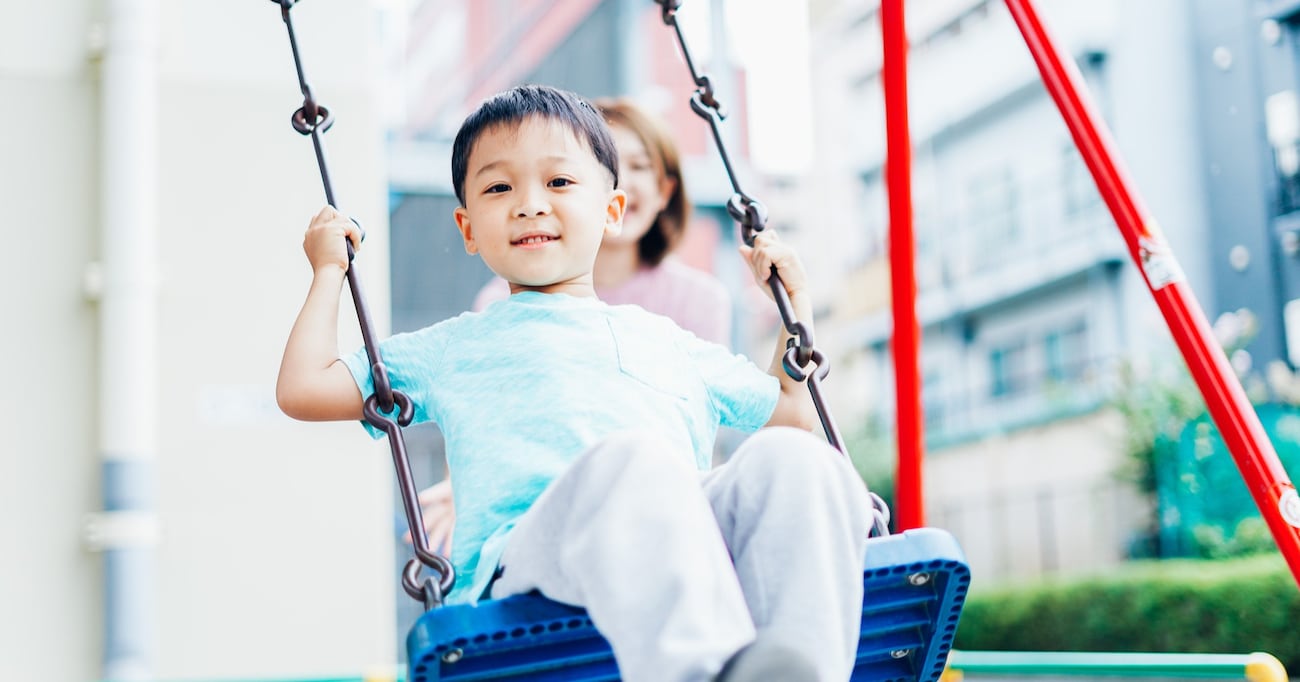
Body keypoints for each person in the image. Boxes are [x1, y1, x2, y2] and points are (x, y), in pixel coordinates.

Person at [277, 85, 870, 682]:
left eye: (559, 183)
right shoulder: (454, 346)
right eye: (498, 187)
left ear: (611, 211)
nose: (530, 204)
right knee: (633, 461)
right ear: (468, 228)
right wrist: (329, 270)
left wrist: (797, 306)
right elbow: (306, 387)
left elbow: (793, 413)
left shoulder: (669, 341)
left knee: (797, 462)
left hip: (673, 553)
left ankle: (800, 670)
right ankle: (704, 673)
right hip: (528, 563)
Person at [415, 97, 734, 553]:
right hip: (558, 506)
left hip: (667, 498)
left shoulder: (696, 300)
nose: (623, 177)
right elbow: (484, 404)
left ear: (660, 191)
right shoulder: (503, 301)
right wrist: (459, 483)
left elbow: (704, 420)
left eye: (639, 166)